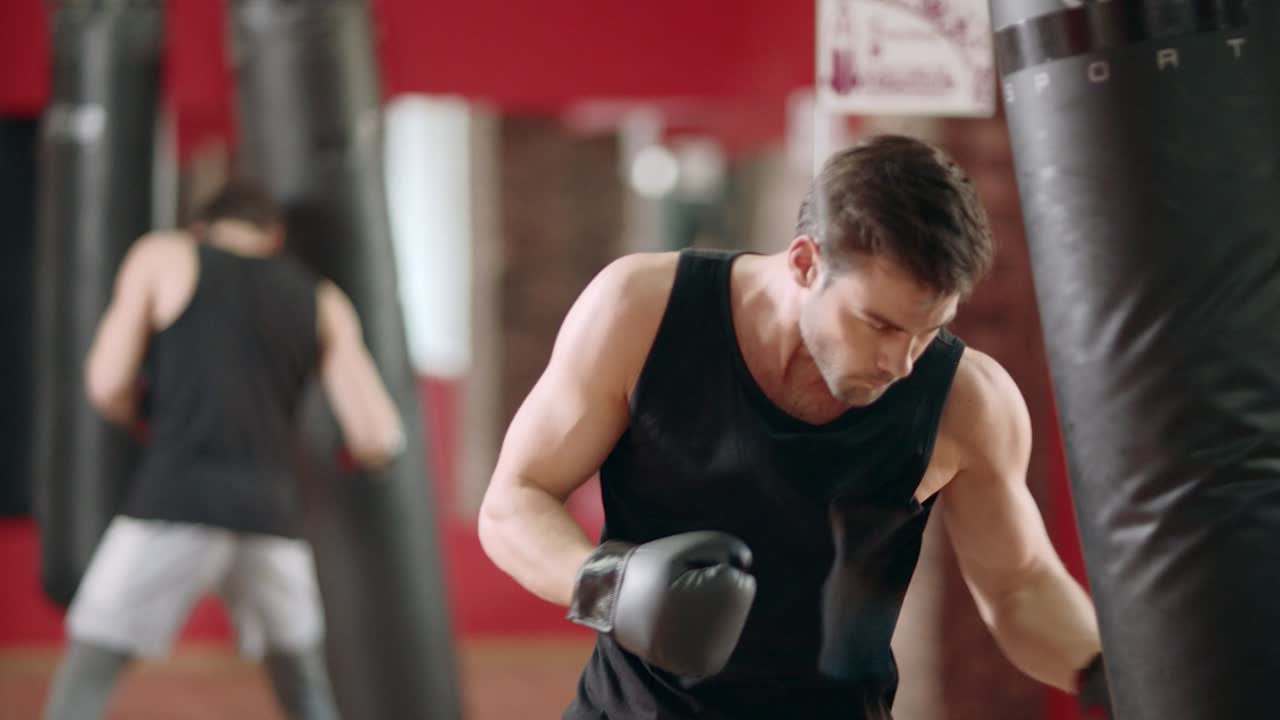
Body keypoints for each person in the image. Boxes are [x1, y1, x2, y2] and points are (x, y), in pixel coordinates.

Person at [479, 134, 1112, 718]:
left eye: (928, 331)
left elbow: (1020, 586)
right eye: (881, 325)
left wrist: (1113, 681)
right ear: (806, 263)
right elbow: (515, 501)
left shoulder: (965, 400)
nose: (901, 362)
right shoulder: (642, 311)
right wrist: (612, 590)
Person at [42, 179, 406, 720]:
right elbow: (377, 434)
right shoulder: (322, 297)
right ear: (274, 237)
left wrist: (146, 415)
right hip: (271, 516)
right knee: (304, 686)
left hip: (175, 501)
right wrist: (360, 461)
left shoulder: (163, 255)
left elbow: (107, 382)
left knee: (89, 671)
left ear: (200, 228)